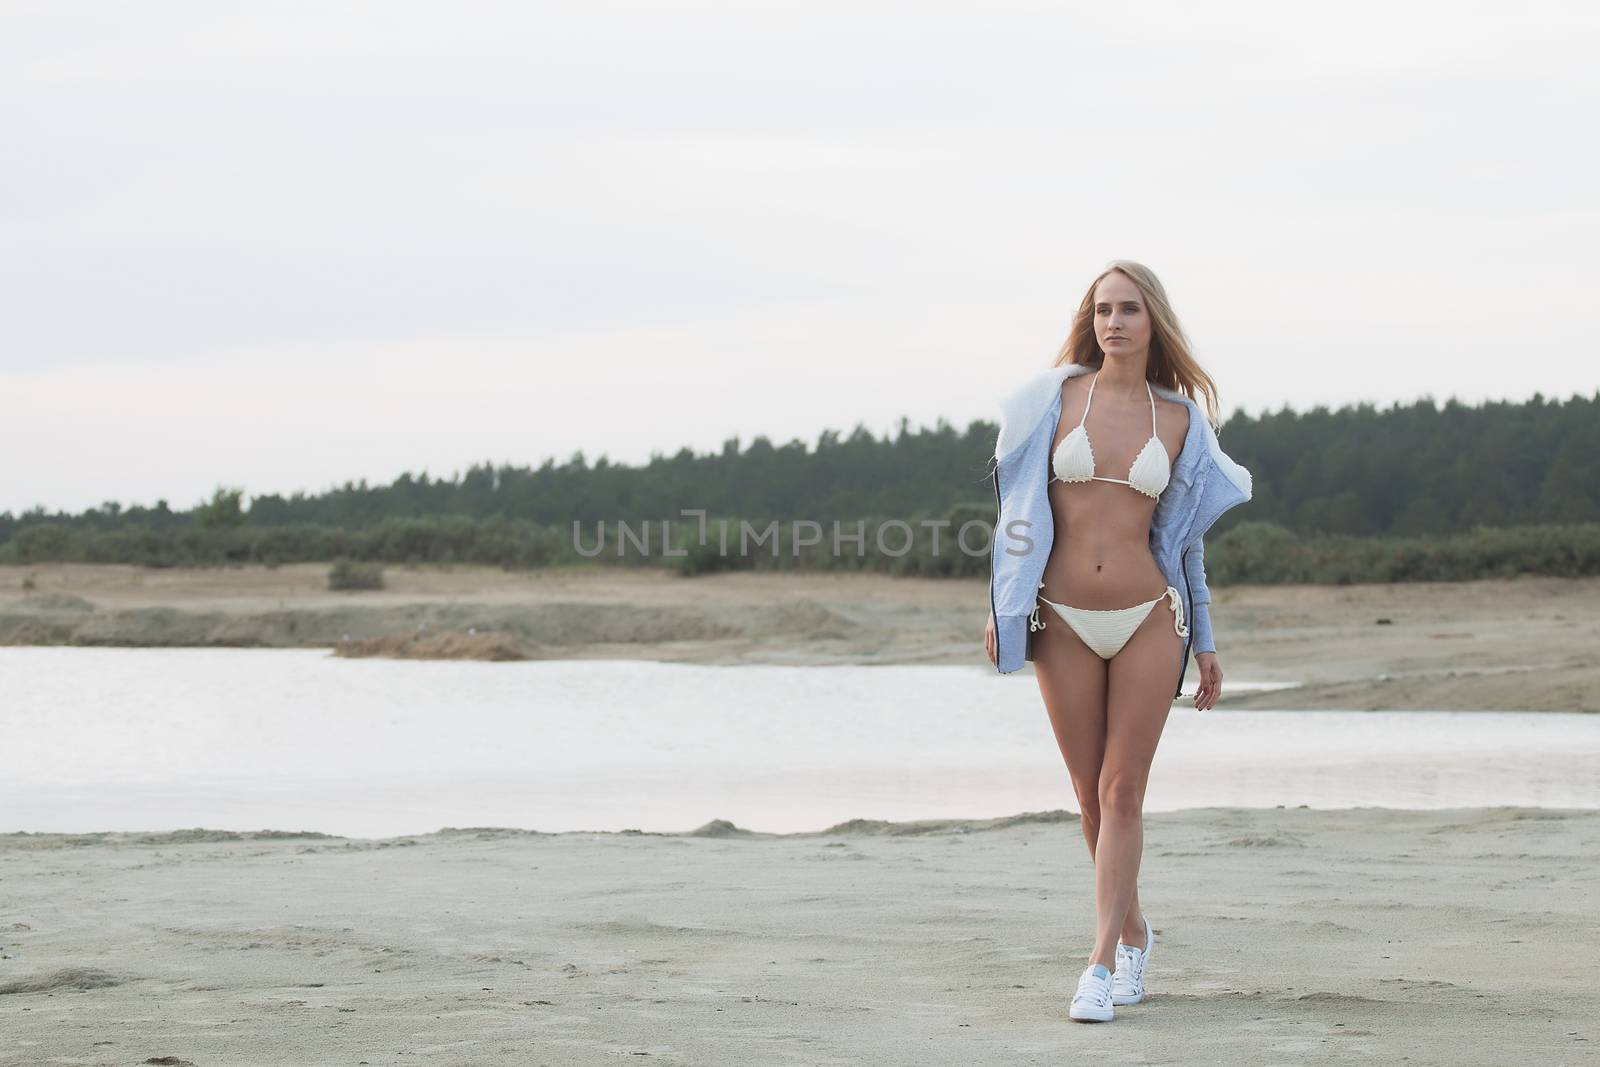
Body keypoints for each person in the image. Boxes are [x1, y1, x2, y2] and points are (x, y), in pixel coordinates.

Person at [983, 260, 1253, 1023]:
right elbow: (1018, 513)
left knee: (1122, 788)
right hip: (1060, 617)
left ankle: (1101, 962)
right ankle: (1135, 928)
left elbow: (1187, 543)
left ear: (1151, 319)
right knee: (1087, 793)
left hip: (1148, 619)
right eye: (1102, 308)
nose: (1114, 321)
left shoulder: (1181, 420)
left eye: (1129, 308)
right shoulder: (1052, 400)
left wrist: (1204, 640)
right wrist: (1003, 603)